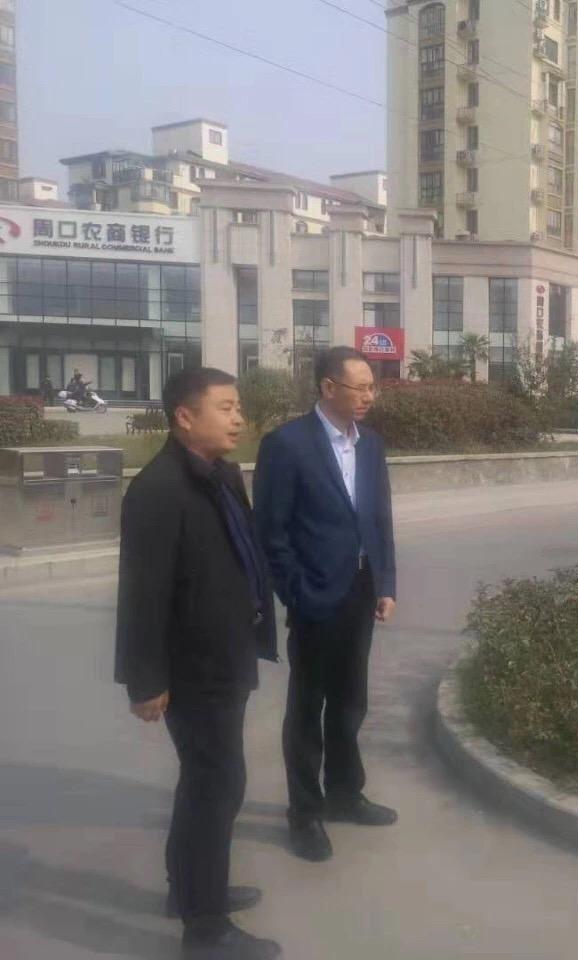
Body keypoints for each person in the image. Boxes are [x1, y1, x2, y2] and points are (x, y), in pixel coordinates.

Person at [114, 367, 281, 960]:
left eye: (238, 407)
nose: (239, 418)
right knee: (217, 785)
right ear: (185, 416)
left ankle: (188, 890)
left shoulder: (220, 475)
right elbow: (142, 593)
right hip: (192, 668)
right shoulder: (158, 489)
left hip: (226, 653)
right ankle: (205, 927)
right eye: (226, 407)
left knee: (207, 783)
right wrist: (145, 680)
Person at [254, 346, 397, 863]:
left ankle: (344, 793)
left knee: (350, 700)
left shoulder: (371, 444)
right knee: (307, 706)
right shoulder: (287, 445)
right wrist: (296, 592)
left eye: (372, 387)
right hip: (314, 596)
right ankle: (305, 813)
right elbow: (271, 532)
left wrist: (385, 583)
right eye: (360, 387)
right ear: (328, 387)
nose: (369, 396)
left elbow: (379, 518)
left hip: (360, 591)